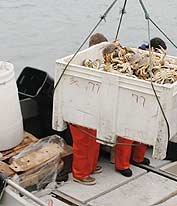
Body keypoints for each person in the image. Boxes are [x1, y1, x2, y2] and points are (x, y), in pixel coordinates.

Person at [114, 37, 167, 177]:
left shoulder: (158, 61)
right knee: (126, 133)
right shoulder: (135, 57)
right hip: (130, 101)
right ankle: (122, 165)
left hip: (147, 102)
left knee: (145, 130)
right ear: (152, 49)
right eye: (158, 53)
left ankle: (138, 158)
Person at [70, 33, 108, 185]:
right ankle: (80, 174)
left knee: (94, 141)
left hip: (93, 109)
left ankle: (91, 167)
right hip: (78, 111)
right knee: (82, 144)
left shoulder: (99, 62)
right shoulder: (80, 63)